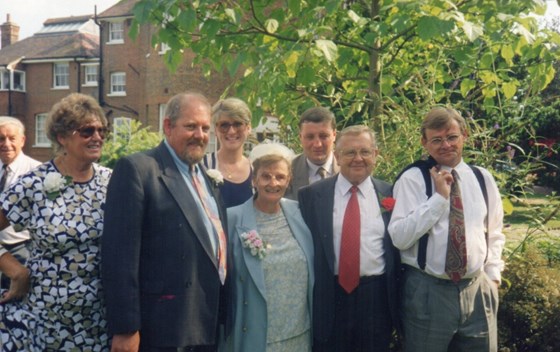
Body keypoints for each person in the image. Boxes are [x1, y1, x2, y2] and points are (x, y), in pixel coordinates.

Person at [102, 92, 228, 352]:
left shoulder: (206, 176)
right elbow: (119, 257)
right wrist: (125, 328)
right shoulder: (139, 170)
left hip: (204, 321)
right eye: (191, 126)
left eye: (205, 128)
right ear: (168, 126)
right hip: (161, 326)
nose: (200, 135)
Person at [0, 93, 112, 350]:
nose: (97, 137)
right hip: (46, 321)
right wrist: (15, 270)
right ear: (62, 137)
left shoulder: (112, 182)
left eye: (101, 130)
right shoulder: (34, 183)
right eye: (86, 131)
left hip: (100, 320)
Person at [388, 107, 505, 352]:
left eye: (452, 137)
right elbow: (399, 237)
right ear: (425, 142)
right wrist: (439, 200)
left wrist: (493, 277)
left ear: (464, 134)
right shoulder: (413, 179)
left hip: (477, 290)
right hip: (429, 292)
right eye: (437, 140)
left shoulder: (482, 178)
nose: (446, 145)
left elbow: (494, 232)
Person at [298, 125, 400, 352]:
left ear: (375, 155)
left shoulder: (391, 194)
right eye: (350, 152)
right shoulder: (312, 196)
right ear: (337, 156)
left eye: (365, 152)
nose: (358, 158)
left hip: (375, 298)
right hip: (329, 295)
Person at [224, 143, 314, 352]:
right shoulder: (232, 218)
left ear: (289, 180)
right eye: (266, 176)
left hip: (298, 332)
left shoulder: (300, 213)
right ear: (254, 180)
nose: (273, 183)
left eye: (280, 177)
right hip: (254, 332)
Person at [0, 116, 41, 289]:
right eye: (1, 139)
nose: (6, 144)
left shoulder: (37, 171)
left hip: (22, 248)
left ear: (23, 140)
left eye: (12, 138)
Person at [203, 97, 253, 208]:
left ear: (248, 128)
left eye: (238, 124)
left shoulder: (256, 169)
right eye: (224, 125)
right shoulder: (201, 166)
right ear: (215, 129)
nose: (231, 131)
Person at [284, 106, 339, 200]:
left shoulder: (348, 169)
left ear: (334, 135)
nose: (317, 144)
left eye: (323, 136)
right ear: (300, 137)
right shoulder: (287, 172)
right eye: (310, 137)